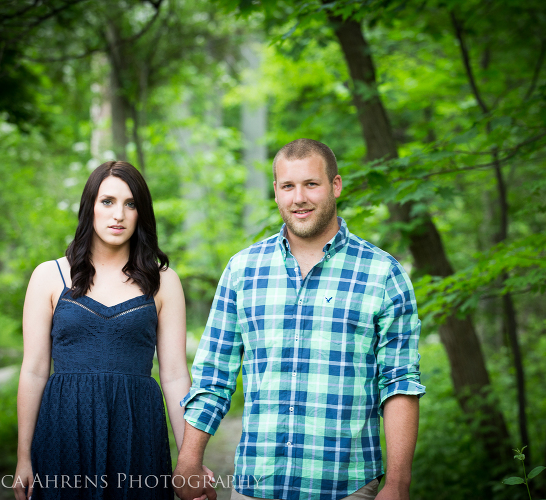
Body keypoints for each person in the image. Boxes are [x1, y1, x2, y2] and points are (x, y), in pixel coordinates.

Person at [173, 139, 425, 500]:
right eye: (288, 186)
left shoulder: (382, 273)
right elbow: (215, 375)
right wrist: (189, 461)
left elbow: (400, 382)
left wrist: (398, 483)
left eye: (311, 184)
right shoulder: (243, 270)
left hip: (348, 487)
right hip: (256, 485)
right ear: (276, 192)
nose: (299, 198)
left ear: (335, 186)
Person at [14, 161, 195, 500]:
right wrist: (24, 457)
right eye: (107, 201)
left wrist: (189, 458)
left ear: (142, 213)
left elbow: (173, 376)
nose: (119, 215)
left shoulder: (163, 282)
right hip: (64, 428)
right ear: (90, 208)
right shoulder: (48, 276)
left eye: (131, 204)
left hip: (136, 427)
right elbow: (34, 371)